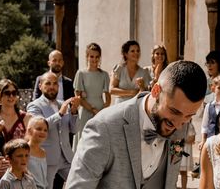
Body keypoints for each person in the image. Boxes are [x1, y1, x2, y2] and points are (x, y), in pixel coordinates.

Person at [65, 60, 207, 189]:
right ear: (156, 91)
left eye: (189, 116)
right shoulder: (104, 127)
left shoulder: (181, 126)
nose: (178, 125)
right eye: (174, 111)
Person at [26, 72, 79, 188]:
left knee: (81, 184)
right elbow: (39, 128)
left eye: (55, 84)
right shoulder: (34, 106)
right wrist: (60, 114)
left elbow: (74, 130)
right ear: (40, 86)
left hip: (67, 157)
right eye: (48, 83)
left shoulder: (63, 104)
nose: (52, 86)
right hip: (47, 158)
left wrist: (74, 112)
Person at [74, 43, 110, 143]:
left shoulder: (104, 75)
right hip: (86, 111)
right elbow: (78, 97)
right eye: (91, 56)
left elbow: (108, 97)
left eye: (97, 57)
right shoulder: (80, 73)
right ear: (87, 57)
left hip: (100, 112)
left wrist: (103, 111)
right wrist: (92, 109)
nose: (94, 59)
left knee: (99, 140)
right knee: (83, 139)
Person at [0, 79, 32, 155]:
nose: (11, 96)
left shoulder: (26, 118)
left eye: (14, 93)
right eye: (7, 93)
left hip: (20, 163)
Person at [109, 40, 150, 104]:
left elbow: (147, 94)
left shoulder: (144, 72)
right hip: (120, 107)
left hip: (136, 107)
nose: (136, 53)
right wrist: (131, 92)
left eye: (138, 51)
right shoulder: (119, 69)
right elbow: (111, 90)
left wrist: (142, 87)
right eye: (132, 51)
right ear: (126, 54)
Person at [200, 75, 220, 149]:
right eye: (219, 88)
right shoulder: (208, 106)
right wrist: (203, 141)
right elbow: (204, 126)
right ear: (213, 89)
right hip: (209, 141)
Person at [25, 116, 48, 189]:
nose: (42, 132)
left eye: (45, 130)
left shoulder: (43, 152)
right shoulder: (24, 150)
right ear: (29, 131)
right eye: (39, 129)